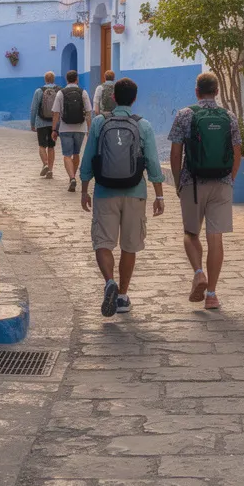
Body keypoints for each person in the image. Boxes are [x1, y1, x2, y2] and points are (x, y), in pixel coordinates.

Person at [79, 77, 165, 317]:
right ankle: (122, 296)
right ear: (134, 99)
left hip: (105, 191)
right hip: (135, 192)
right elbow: (153, 163)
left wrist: (84, 188)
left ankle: (109, 282)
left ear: (113, 97)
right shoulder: (143, 125)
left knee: (103, 242)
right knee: (130, 245)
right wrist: (159, 196)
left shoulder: (99, 122)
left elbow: (88, 159)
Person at [168, 72, 241, 310]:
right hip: (222, 182)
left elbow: (176, 153)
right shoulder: (228, 116)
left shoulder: (184, 115)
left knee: (191, 233)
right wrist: (230, 179)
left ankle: (199, 273)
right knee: (215, 238)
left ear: (196, 91)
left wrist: (179, 181)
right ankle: (212, 294)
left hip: (193, 182)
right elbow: (236, 152)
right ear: (217, 92)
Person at [51, 69, 92, 192]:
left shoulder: (61, 93)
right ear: (77, 79)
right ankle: (73, 177)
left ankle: (72, 177)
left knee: (67, 155)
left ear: (66, 79)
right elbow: (89, 112)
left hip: (65, 128)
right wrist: (89, 130)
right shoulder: (83, 92)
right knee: (76, 154)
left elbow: (56, 114)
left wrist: (54, 129)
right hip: (80, 128)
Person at [29, 72, 59, 179]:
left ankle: (45, 163)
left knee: (42, 145)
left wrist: (32, 123)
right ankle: (50, 170)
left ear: (45, 79)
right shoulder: (58, 91)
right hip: (54, 124)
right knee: (51, 146)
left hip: (41, 122)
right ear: (54, 79)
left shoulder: (39, 91)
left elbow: (33, 108)